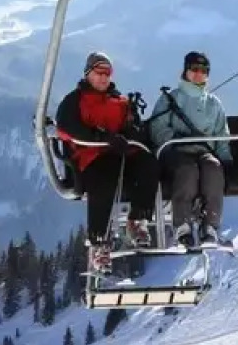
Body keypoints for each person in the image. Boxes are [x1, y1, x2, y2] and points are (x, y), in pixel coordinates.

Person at [54, 51, 159, 267]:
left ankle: (138, 219)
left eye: (107, 73)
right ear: (88, 74)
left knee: (148, 164)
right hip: (91, 157)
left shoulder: (120, 101)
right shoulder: (74, 101)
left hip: (121, 155)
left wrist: (131, 131)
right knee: (105, 175)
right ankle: (98, 240)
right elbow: (66, 128)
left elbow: (134, 129)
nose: (103, 77)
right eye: (98, 72)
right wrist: (101, 137)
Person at [147, 50, 231, 247]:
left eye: (203, 70)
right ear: (185, 71)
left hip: (204, 152)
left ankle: (210, 224)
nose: (198, 74)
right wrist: (176, 139)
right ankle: (182, 225)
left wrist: (226, 159)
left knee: (213, 168)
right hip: (176, 152)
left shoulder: (213, 103)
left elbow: (221, 134)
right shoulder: (171, 99)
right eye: (194, 69)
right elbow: (157, 128)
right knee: (187, 171)